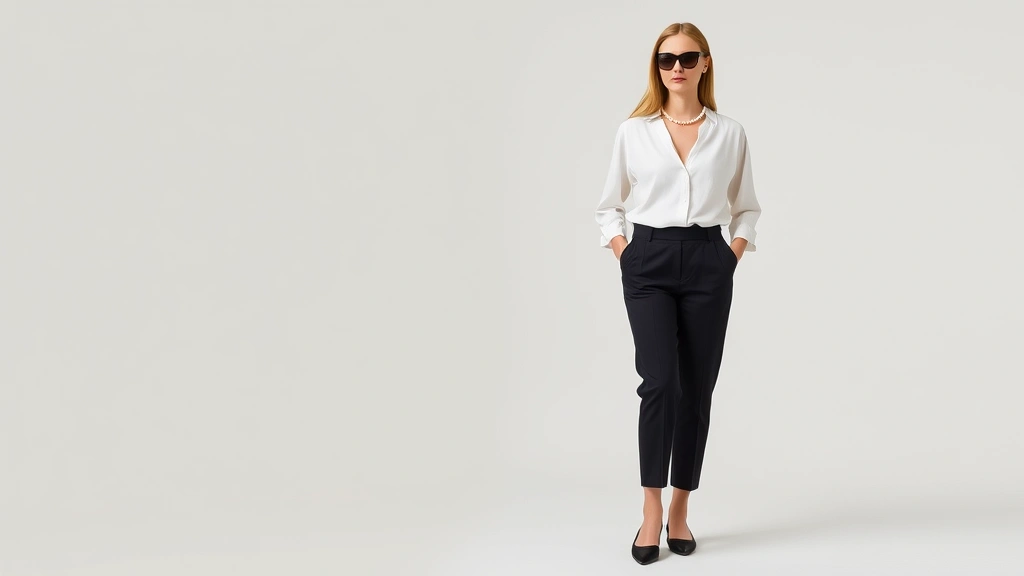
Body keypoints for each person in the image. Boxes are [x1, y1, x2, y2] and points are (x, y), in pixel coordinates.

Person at [593, 22, 762, 565]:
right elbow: (608, 204)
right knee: (659, 383)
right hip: (649, 260)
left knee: (697, 388)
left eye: (688, 58)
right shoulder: (633, 131)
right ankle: (649, 508)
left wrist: (731, 253)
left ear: (705, 63)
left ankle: (681, 507)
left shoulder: (730, 133)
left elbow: (748, 206)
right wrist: (624, 249)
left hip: (708, 260)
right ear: (657, 66)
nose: (677, 68)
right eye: (667, 59)